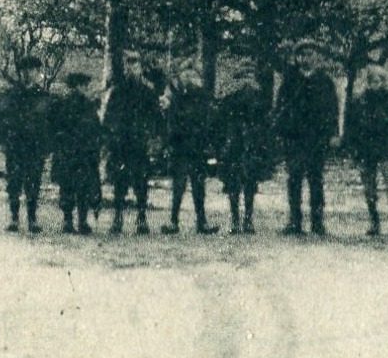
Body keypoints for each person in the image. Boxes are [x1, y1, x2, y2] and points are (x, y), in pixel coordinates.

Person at [273, 40, 340, 235]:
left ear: (316, 58)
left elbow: (332, 109)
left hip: (316, 138)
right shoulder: (290, 81)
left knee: (316, 179)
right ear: (297, 57)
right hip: (294, 138)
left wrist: (333, 133)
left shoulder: (325, 81)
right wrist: (281, 133)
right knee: (294, 178)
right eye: (302, 54)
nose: (306, 58)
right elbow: (280, 107)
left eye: (311, 54)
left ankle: (318, 222)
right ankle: (295, 221)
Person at [344, 65, 388, 237]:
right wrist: (352, 150)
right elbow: (352, 127)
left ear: (382, 81)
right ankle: (374, 221)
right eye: (372, 80)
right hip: (365, 148)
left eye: (378, 80)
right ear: (367, 82)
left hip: (386, 146)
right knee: (369, 185)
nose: (375, 83)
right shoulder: (358, 101)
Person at [103, 58, 163, 235]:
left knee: (141, 182)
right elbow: (109, 117)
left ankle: (142, 218)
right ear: (125, 68)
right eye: (128, 65)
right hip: (121, 144)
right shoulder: (117, 92)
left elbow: (157, 118)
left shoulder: (147, 92)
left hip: (139, 144)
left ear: (140, 67)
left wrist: (153, 139)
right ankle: (117, 218)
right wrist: (111, 138)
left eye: (135, 65)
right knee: (120, 182)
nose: (131, 69)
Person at [0, 57, 51, 233]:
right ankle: (14, 218)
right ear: (20, 73)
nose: (29, 74)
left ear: (37, 73)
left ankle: (32, 220)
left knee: (33, 182)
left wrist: (47, 147)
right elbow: (0, 119)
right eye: (25, 70)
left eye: (33, 70)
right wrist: (3, 141)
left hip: (35, 147)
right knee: (14, 182)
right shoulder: (11, 96)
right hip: (15, 146)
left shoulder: (43, 96)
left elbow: (49, 123)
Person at [161, 67, 219, 236]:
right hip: (181, 149)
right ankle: (173, 221)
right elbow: (171, 124)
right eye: (186, 75)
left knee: (199, 186)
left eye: (193, 75)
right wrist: (171, 143)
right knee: (178, 186)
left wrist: (207, 144)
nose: (190, 78)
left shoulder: (202, 99)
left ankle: (201, 222)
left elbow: (208, 123)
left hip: (198, 149)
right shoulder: (177, 99)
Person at [214, 81, 275, 234]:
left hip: (246, 143)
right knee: (240, 182)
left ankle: (243, 220)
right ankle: (241, 220)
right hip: (237, 143)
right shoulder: (234, 96)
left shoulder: (249, 95)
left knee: (245, 182)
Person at [50, 71, 103, 235]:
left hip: (74, 153)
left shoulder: (77, 104)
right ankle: (77, 222)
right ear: (77, 86)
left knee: (72, 187)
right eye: (84, 85)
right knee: (78, 188)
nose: (86, 88)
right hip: (76, 152)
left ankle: (73, 221)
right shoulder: (79, 104)